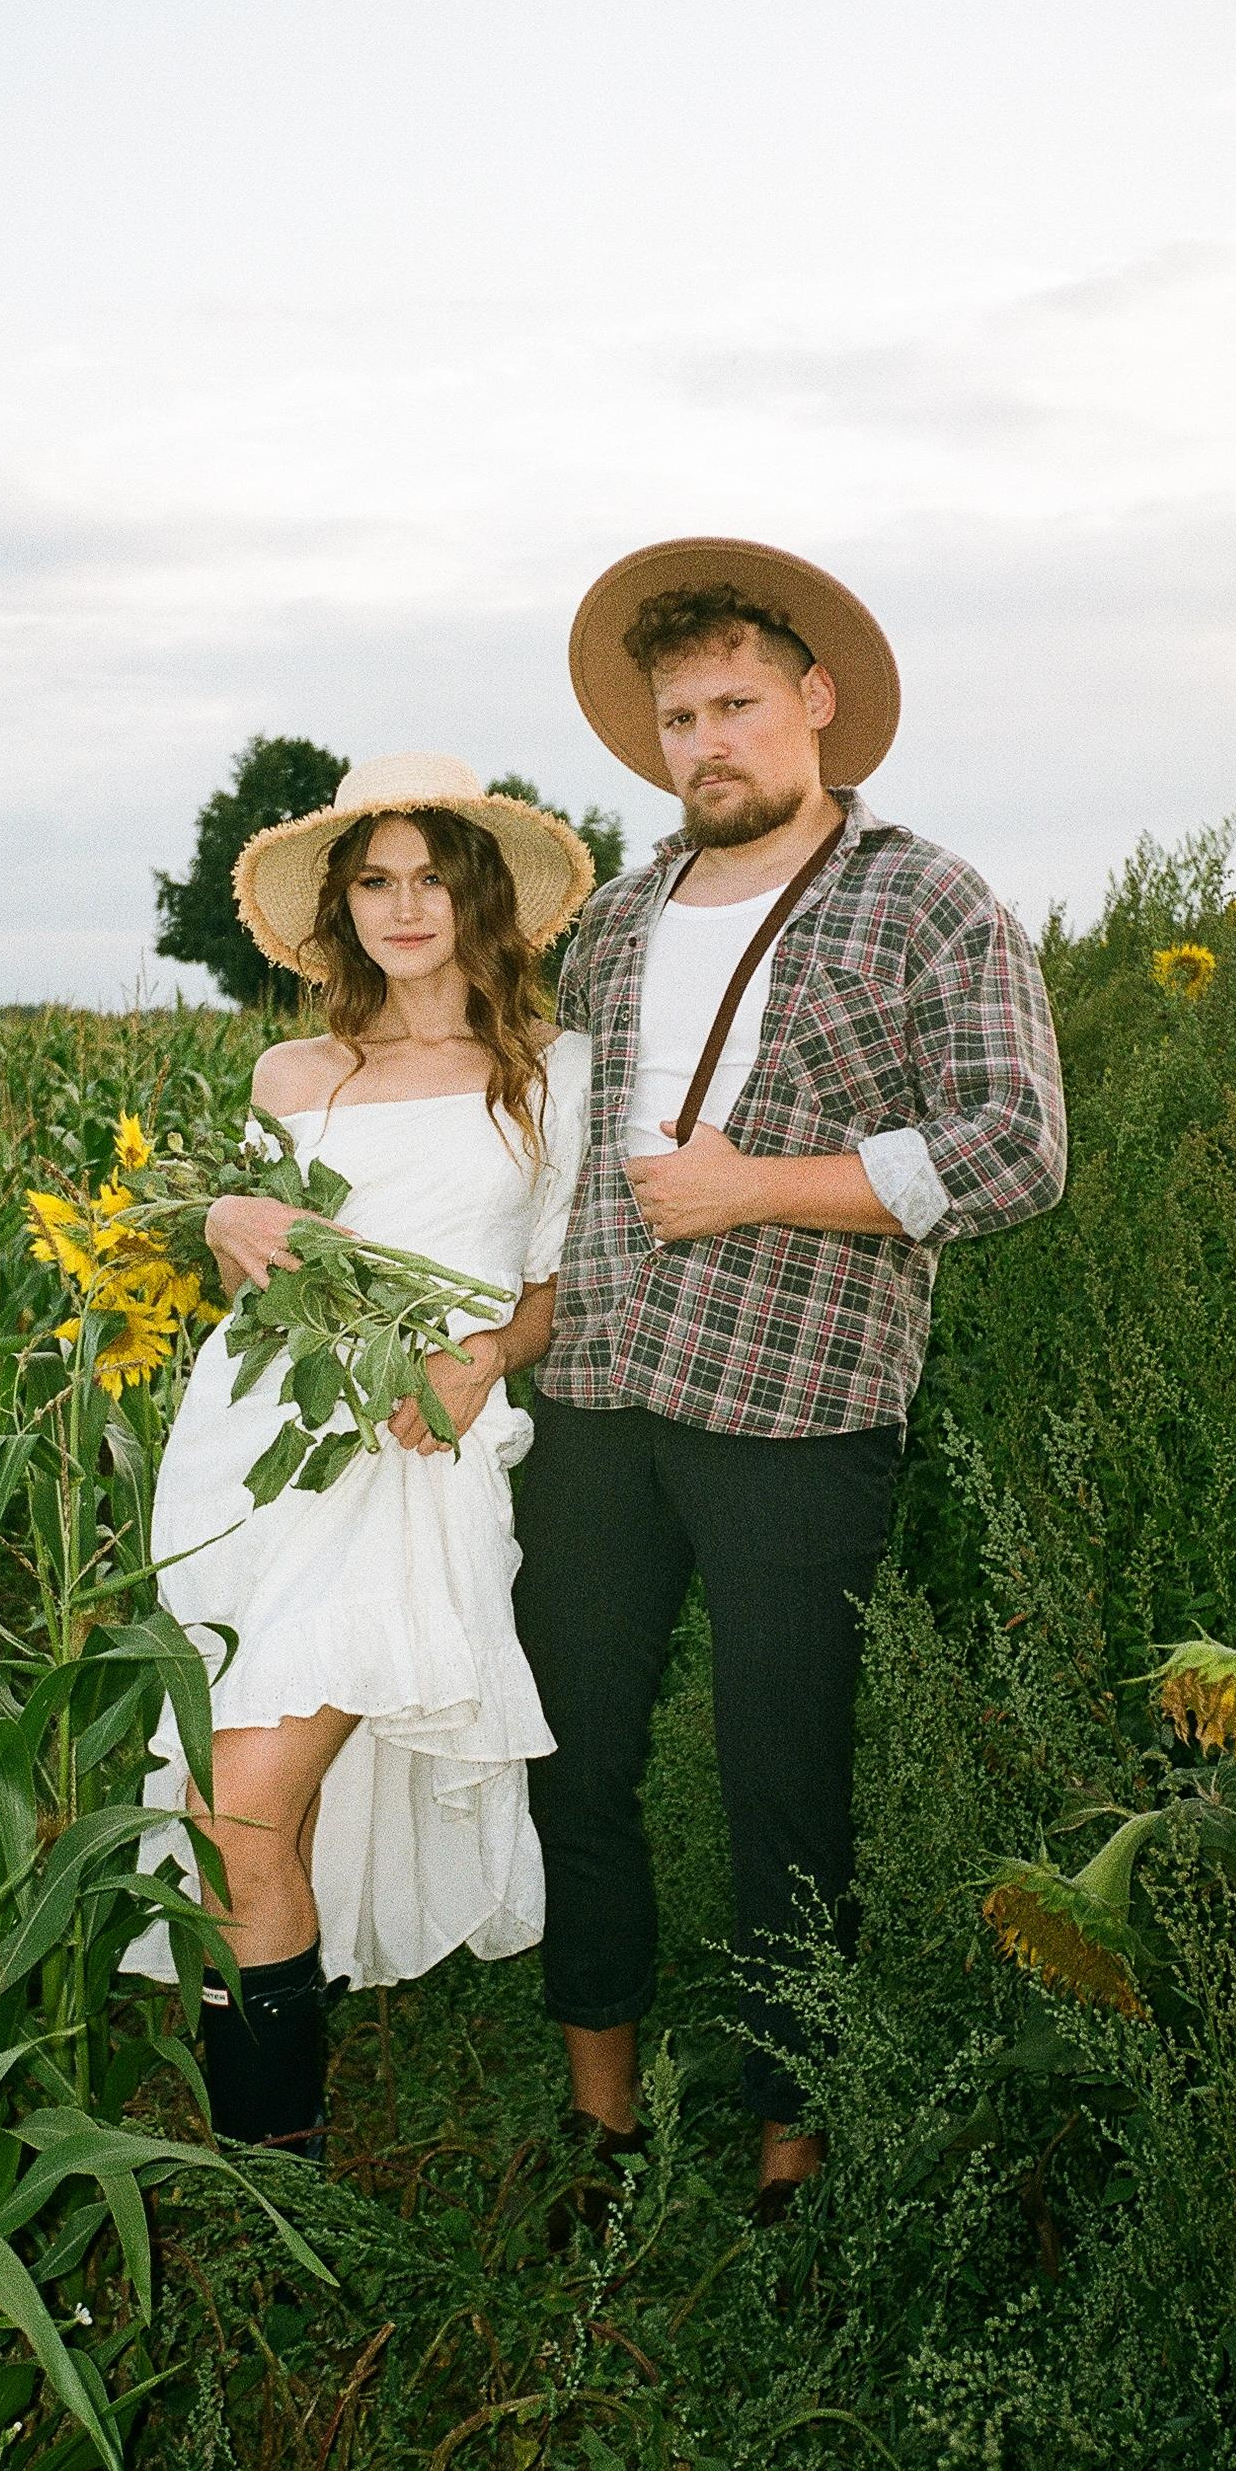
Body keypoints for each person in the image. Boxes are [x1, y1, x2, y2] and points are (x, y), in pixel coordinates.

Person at [514, 537, 1068, 2223]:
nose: (707, 743)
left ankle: (790, 2143)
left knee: (783, 1775)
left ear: (816, 703)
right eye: (679, 717)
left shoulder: (926, 900)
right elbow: (541, 1153)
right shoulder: (610, 922)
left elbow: (1019, 1148)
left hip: (801, 1404)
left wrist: (767, 1183)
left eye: (738, 705)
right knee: (579, 1752)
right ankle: (601, 2124)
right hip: (601, 1392)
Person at [122, 751, 595, 2157]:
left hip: (410, 1469)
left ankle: (276, 2155)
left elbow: (548, 1299)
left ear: (480, 895)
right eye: (376, 880)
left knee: (236, 1806)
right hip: (259, 1452)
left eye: (432, 877)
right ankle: (283, 2152)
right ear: (339, 906)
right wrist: (219, 1220)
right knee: (255, 1810)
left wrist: (480, 1356)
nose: (406, 907)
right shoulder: (293, 1070)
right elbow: (262, 1276)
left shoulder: (547, 1075)